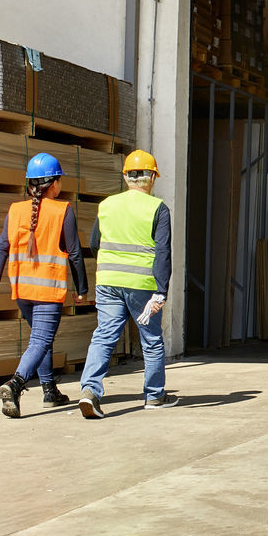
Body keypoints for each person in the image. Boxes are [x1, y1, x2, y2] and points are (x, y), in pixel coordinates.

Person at [0, 153, 89, 418]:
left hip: (22, 290)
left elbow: (1, 248)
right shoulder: (62, 210)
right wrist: (82, 289)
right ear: (54, 184)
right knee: (41, 340)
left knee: (40, 340)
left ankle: (49, 390)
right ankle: (15, 384)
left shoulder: (15, 210)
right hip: (48, 290)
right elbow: (75, 253)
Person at [77, 150, 174, 418]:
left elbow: (95, 243)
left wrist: (108, 268)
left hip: (108, 281)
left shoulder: (106, 205)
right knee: (151, 340)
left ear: (126, 176)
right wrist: (161, 290)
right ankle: (154, 396)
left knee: (104, 335)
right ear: (152, 177)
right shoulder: (158, 208)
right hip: (142, 285)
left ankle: (90, 391)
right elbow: (163, 252)